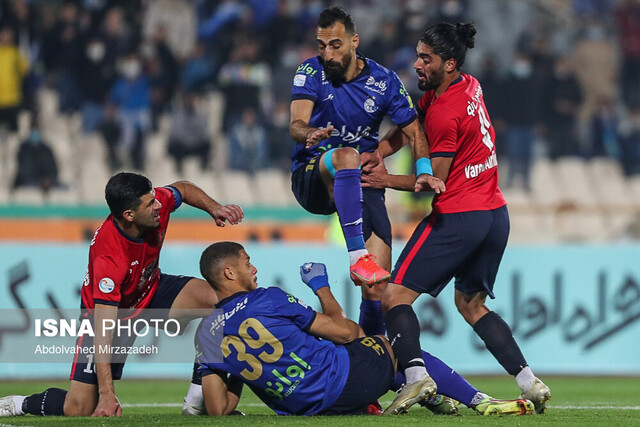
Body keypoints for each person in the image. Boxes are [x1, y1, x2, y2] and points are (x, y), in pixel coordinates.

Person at [380, 23, 551, 415]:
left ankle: (415, 377)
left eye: (427, 58)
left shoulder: (445, 110)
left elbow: (433, 181)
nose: (417, 64)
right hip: (495, 215)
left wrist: (381, 177)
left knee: (394, 296)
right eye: (418, 55)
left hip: (460, 214)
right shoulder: (467, 85)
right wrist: (379, 151)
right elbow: (412, 124)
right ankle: (529, 380)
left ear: (450, 63)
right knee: (471, 305)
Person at [0, 172, 244, 417]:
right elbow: (104, 326)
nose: (159, 204)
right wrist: (107, 394)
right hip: (112, 315)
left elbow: (183, 188)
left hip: (150, 290)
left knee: (223, 303)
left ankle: (195, 401)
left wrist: (215, 208)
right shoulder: (109, 256)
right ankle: (18, 404)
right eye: (151, 204)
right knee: (79, 408)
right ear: (129, 215)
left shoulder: (153, 201)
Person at [194, 242, 534, 416]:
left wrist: (234, 364)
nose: (254, 268)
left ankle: (424, 396)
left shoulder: (208, 333)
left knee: (339, 345)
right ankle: (477, 400)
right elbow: (344, 333)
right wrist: (321, 287)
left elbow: (217, 409)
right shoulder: (267, 298)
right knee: (387, 345)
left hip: (302, 407)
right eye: (247, 262)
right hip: (342, 384)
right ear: (228, 273)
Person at [288, 8, 444, 328]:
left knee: (378, 289)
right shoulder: (309, 72)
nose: (327, 53)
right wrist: (309, 133)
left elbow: (413, 131)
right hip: (313, 176)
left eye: (335, 44)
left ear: (354, 41)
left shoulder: (383, 81)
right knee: (346, 154)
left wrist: (423, 169)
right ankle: (358, 257)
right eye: (321, 46)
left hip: (361, 180)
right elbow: (296, 124)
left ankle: (371, 361)